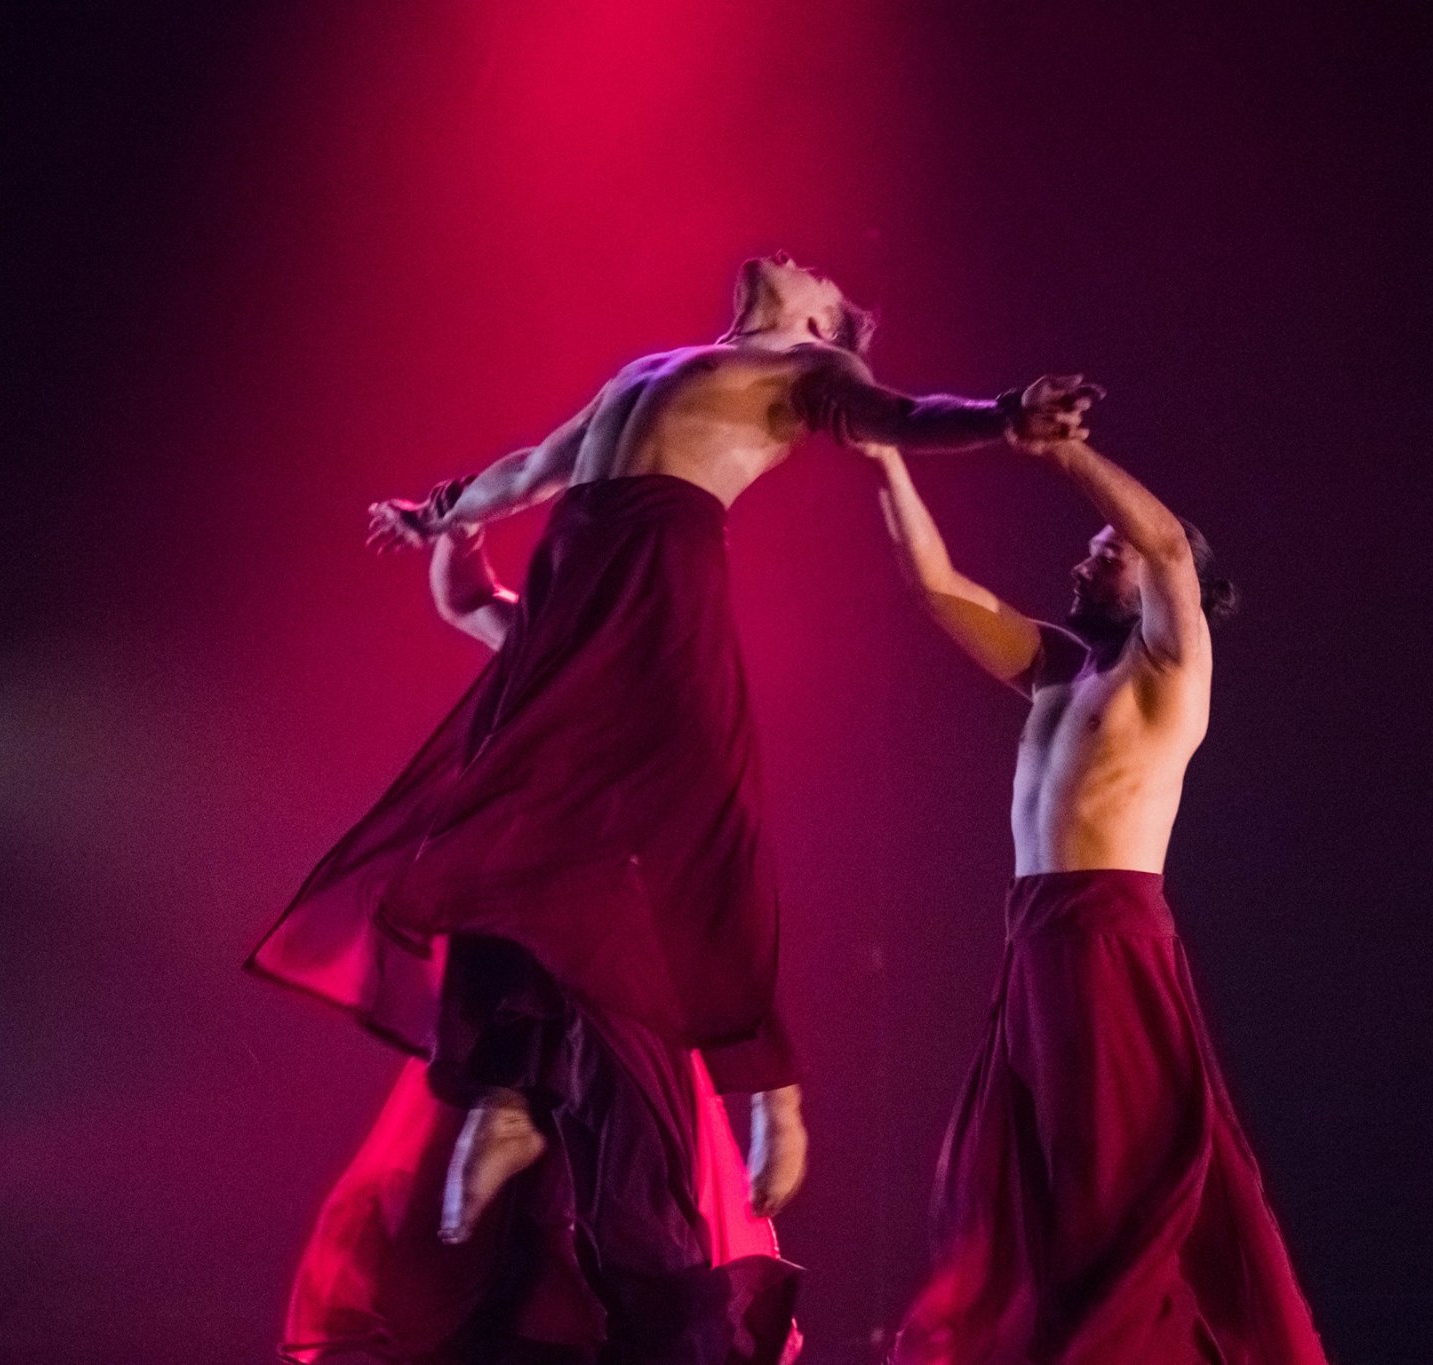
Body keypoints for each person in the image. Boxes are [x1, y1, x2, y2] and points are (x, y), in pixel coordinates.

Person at [246, 253, 1097, 1363]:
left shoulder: (808, 370)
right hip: (575, 599)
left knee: (698, 825)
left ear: (820, 323)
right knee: (509, 820)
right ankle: (507, 1094)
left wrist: (1002, 415)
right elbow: (533, 468)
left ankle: (765, 1091)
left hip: (657, 589)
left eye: (817, 276)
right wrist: (443, 511)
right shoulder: (648, 369)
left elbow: (900, 413)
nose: (795, 259)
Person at [860, 436, 1328, 1364]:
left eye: (1105, 551)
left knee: (1112, 1192)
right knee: (1025, 1193)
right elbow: (936, 586)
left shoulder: (1171, 669)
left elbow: (1165, 543)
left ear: (1160, 581)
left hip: (1106, 945)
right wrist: (885, 456)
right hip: (1034, 947)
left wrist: (1063, 451)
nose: (1083, 561)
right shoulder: (1055, 671)